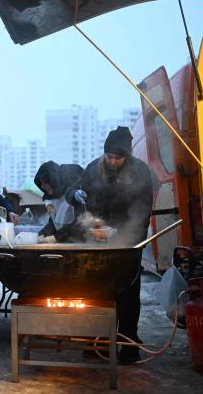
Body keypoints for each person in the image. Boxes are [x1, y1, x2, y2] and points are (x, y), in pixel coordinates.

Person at [66, 126, 154, 364]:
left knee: (127, 293)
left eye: (118, 157)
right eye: (109, 157)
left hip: (128, 241)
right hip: (98, 240)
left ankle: (128, 344)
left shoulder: (140, 172)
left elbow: (143, 209)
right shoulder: (94, 168)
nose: (113, 161)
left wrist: (123, 233)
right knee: (99, 290)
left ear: (126, 157)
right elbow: (71, 189)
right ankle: (99, 342)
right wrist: (75, 195)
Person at [34, 161, 84, 241]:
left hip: (79, 244)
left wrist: (55, 237)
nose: (42, 186)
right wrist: (41, 234)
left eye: (45, 182)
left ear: (53, 181)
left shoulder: (74, 195)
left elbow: (79, 224)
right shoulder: (53, 198)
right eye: (41, 183)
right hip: (63, 243)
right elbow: (53, 223)